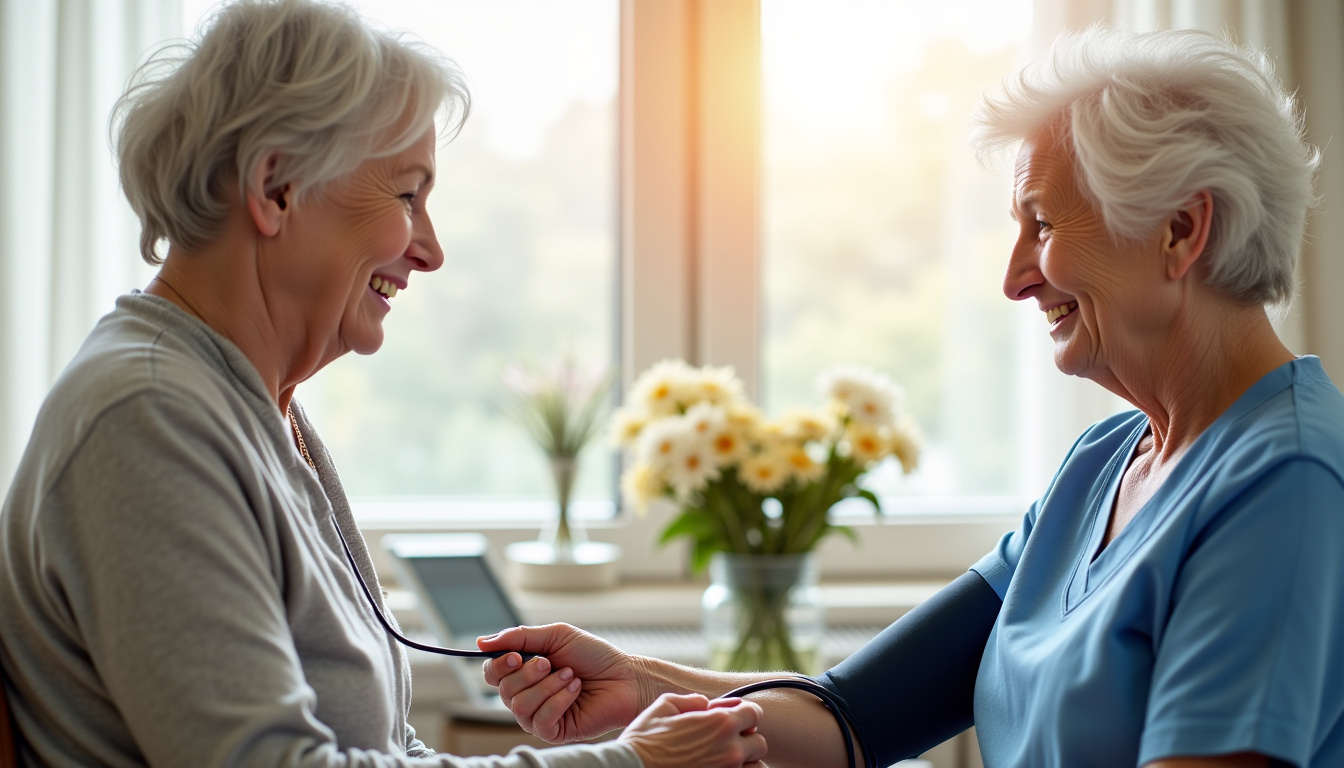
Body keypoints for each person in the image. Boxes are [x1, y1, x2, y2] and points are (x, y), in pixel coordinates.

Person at [478, 25, 1344, 768]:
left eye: (1041, 224)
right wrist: (639, 687)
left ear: (1181, 230)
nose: (1014, 278)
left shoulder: (1285, 485)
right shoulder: (1103, 464)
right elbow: (853, 717)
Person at [0, 1, 768, 766]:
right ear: (275, 188)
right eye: (407, 196)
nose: (429, 250)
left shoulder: (261, 414)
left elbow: (378, 749)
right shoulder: (148, 418)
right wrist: (633, 765)